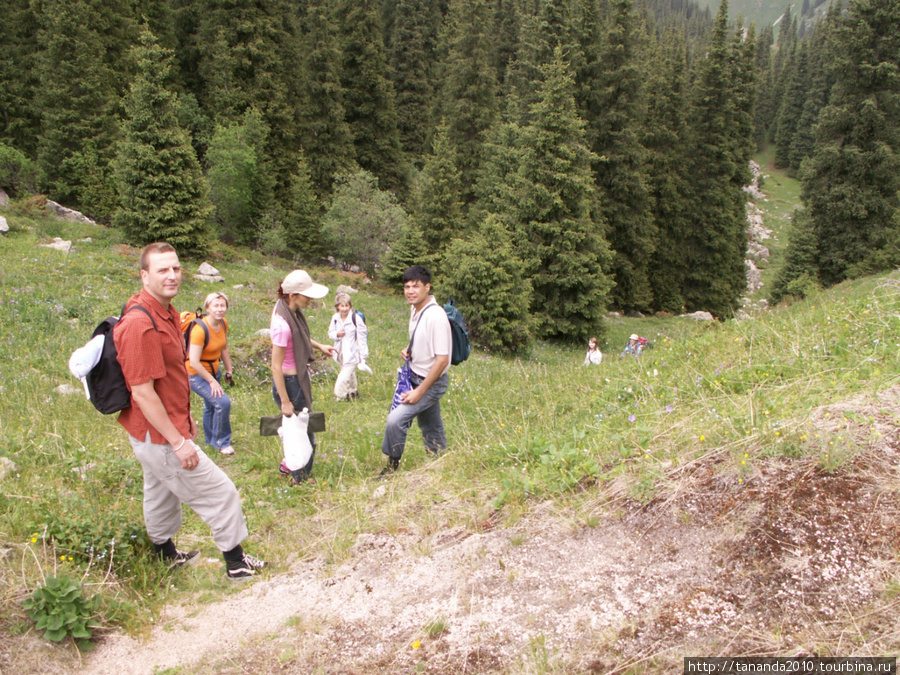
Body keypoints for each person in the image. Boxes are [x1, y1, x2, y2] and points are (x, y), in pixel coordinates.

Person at [114, 242, 266, 580]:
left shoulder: (166, 311)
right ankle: (236, 563)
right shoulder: (140, 324)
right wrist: (179, 442)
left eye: (176, 268)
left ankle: (165, 555)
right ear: (144, 275)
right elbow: (142, 392)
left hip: (154, 431)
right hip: (160, 435)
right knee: (221, 491)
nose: (172, 275)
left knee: (159, 491)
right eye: (162, 270)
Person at [380, 265, 452, 477]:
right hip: (413, 374)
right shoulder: (415, 309)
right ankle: (439, 462)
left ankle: (392, 467)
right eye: (407, 286)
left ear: (427, 287)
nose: (410, 291)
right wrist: (409, 350)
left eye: (416, 286)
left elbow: (442, 360)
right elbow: (423, 341)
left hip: (430, 381)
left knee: (395, 420)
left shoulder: (436, 317)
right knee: (430, 423)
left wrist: (419, 392)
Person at [270, 270, 336, 485]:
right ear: (292, 295)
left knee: (297, 431)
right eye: (306, 295)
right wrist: (286, 402)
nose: (311, 299)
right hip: (291, 384)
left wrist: (318, 345)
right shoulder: (282, 324)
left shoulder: (290, 312)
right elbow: (275, 367)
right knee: (305, 436)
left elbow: (300, 336)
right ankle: (301, 479)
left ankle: (288, 465)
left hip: (297, 380)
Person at [186, 292, 234, 455]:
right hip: (196, 374)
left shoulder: (223, 324)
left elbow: (224, 348)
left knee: (211, 406)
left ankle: (210, 441)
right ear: (208, 307)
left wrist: (228, 370)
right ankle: (222, 442)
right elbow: (193, 361)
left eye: (223, 306)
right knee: (222, 403)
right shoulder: (199, 330)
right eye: (216, 306)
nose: (220, 309)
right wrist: (211, 381)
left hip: (214, 371)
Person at [328, 292, 369, 401]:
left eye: (347, 306)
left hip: (352, 352)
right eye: (342, 306)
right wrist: (337, 334)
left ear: (350, 306)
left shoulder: (355, 318)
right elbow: (330, 333)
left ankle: (340, 395)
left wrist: (363, 355)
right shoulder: (335, 318)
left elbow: (362, 337)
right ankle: (353, 391)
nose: (345, 309)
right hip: (339, 352)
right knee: (349, 372)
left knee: (343, 376)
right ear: (337, 307)